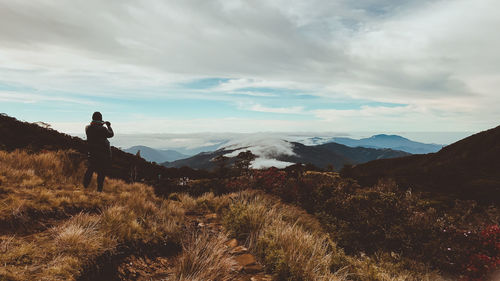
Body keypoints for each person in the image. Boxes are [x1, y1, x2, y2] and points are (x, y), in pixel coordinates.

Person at [83, 112, 114, 192]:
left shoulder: (88, 128)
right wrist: (108, 126)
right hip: (103, 154)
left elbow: (94, 129)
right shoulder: (103, 129)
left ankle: (85, 186)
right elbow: (111, 134)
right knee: (101, 173)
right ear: (100, 119)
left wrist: (100, 124)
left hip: (92, 153)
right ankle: (99, 190)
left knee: (90, 169)